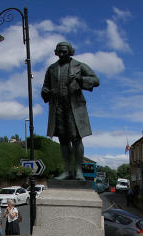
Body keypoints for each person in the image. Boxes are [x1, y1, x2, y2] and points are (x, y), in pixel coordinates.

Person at [40, 41, 100, 180]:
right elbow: (45, 87)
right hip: (58, 107)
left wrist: (80, 78)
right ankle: (67, 170)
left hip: (75, 107)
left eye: (64, 52)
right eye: (59, 52)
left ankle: (78, 170)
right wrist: (46, 91)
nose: (61, 54)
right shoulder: (51, 69)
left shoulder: (79, 66)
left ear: (70, 51)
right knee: (63, 139)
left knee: (76, 138)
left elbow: (96, 80)